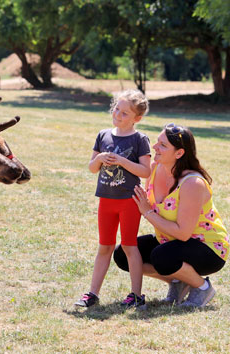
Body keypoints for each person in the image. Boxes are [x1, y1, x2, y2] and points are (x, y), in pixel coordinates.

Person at [113, 123, 230, 307]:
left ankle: (202, 287)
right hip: (169, 241)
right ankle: (178, 282)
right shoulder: (154, 168)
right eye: (157, 142)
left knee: (162, 257)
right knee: (123, 254)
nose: (155, 147)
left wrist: (148, 212)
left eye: (163, 145)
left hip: (207, 248)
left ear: (179, 153)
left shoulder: (192, 183)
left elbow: (183, 233)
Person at [74, 90, 151, 309]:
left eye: (125, 113)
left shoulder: (139, 139)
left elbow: (146, 171)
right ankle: (92, 293)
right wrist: (98, 158)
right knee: (104, 246)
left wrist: (122, 161)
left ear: (137, 118)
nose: (118, 114)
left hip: (129, 202)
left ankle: (136, 295)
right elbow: (91, 168)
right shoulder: (103, 135)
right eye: (117, 108)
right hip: (106, 201)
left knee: (129, 246)